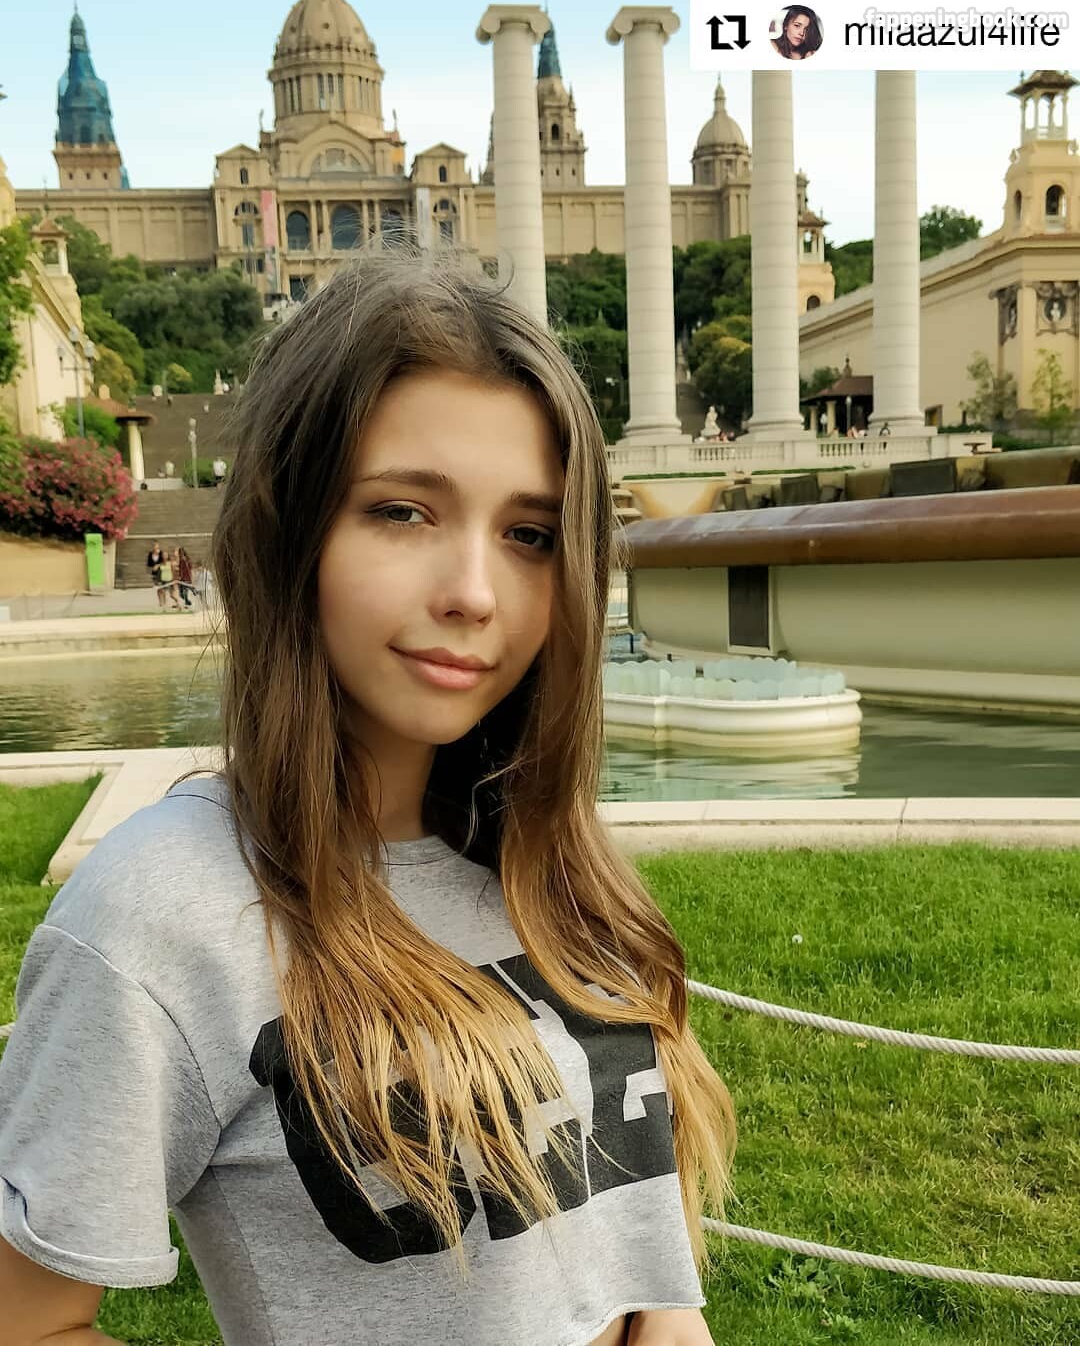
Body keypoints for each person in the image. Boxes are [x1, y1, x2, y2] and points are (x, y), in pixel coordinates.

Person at [0, 248, 735, 1346]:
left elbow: (622, 1240)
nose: (475, 592)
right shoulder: (160, 916)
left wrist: (669, 1310)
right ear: (289, 528)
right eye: (402, 511)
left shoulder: (545, 858)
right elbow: (26, 1322)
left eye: (529, 535)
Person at [145, 540, 167, 608]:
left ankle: (164, 601)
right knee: (158, 588)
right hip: (154, 574)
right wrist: (151, 569)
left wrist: (158, 565)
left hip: (162, 573)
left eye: (156, 545)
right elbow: (149, 564)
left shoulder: (161, 553)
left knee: (162, 588)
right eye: (153, 545)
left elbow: (165, 562)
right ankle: (160, 602)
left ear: (158, 545)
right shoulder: (150, 554)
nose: (155, 546)